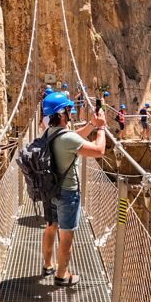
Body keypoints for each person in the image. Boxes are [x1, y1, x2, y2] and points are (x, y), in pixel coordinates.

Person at [39, 91, 107, 287]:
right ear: (61, 113)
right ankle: (62, 275)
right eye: (69, 109)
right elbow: (99, 151)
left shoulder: (48, 132)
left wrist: (92, 125)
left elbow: (72, 138)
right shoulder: (67, 138)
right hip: (68, 194)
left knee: (51, 226)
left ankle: (48, 265)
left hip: (50, 189)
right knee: (66, 237)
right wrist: (100, 129)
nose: (72, 111)